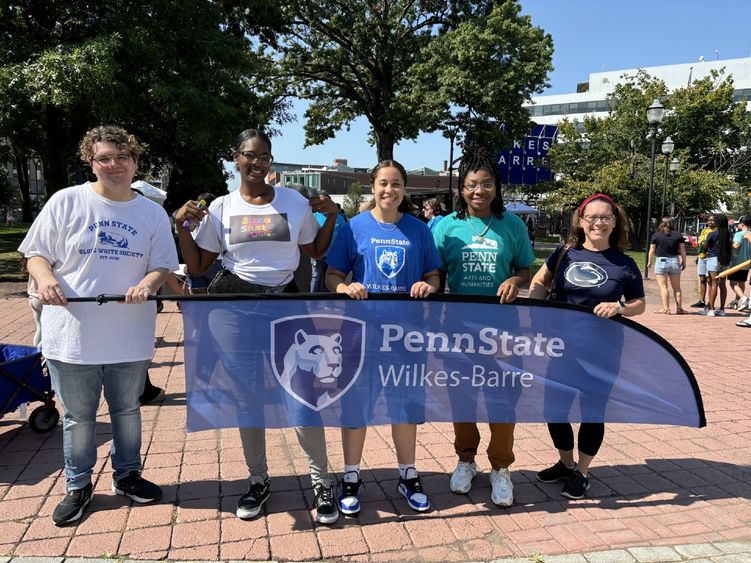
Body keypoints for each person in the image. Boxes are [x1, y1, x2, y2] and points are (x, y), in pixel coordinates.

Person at [174, 128, 341, 524]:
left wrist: (332, 216)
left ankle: (321, 482)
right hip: (234, 307)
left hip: (284, 303)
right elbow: (198, 267)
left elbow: (315, 251)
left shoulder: (294, 202)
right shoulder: (221, 206)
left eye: (264, 156)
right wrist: (181, 227)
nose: (257, 162)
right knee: (247, 397)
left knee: (301, 392)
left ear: (270, 161)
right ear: (237, 159)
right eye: (250, 155)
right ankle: (258, 480)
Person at [19, 125, 179, 525]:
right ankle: (77, 485)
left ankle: (127, 476)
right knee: (79, 417)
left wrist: (146, 284)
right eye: (103, 158)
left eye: (121, 157)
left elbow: (162, 265)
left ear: (135, 161)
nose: (113, 165)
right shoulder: (65, 201)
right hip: (72, 335)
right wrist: (45, 278)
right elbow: (35, 254)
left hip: (129, 334)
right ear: (90, 162)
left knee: (127, 410)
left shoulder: (151, 212)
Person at [325, 160, 441, 515]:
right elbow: (332, 274)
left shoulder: (419, 231)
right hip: (359, 335)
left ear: (404, 189)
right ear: (372, 187)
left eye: (396, 184)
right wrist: (345, 287)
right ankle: (350, 476)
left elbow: (433, 276)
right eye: (382, 184)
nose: (389, 190)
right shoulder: (353, 227)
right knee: (356, 407)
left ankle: (407, 474)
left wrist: (428, 285)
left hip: (406, 337)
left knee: (404, 407)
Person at [432, 146, 535, 507]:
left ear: (497, 187)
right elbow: (433, 274)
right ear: (461, 188)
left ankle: (501, 468)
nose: (479, 191)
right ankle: (465, 460)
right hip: (458, 330)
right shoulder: (446, 226)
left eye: (487, 184)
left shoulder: (512, 225)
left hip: (504, 333)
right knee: (462, 400)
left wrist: (516, 282)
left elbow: (525, 268)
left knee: (503, 400)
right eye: (472, 185)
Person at [528, 193, 645, 499]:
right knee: (554, 409)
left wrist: (619, 307)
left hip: (602, 352)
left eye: (605, 217)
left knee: (592, 412)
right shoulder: (565, 252)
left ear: (614, 221)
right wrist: (534, 316)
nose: (598, 222)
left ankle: (582, 471)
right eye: (591, 217)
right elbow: (540, 282)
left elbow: (639, 304)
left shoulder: (625, 263)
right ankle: (566, 463)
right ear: (581, 221)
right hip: (562, 349)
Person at [647, 217, 687, 314]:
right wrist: (684, 261)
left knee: (663, 287)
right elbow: (682, 250)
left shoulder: (656, 235)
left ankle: (666, 308)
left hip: (661, 261)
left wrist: (650, 261)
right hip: (674, 261)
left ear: (662, 223)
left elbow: (652, 249)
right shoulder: (678, 235)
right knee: (677, 288)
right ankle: (679, 308)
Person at [310, 191, 347, 292]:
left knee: (329, 277)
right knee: (316, 276)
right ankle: (313, 301)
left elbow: (344, 234)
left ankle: (328, 301)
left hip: (333, 254)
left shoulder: (339, 217)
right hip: (318, 253)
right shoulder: (315, 216)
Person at [701, 213, 732, 317]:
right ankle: (722, 309)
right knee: (722, 285)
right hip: (725, 261)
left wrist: (704, 250)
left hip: (713, 259)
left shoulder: (713, 233)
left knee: (713, 283)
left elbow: (705, 247)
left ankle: (711, 309)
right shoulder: (728, 233)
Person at [690, 215, 716, 308]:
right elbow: (700, 243)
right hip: (701, 257)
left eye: (712, 220)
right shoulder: (704, 230)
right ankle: (701, 300)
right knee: (702, 279)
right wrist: (694, 243)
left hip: (710, 257)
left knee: (710, 280)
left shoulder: (716, 231)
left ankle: (710, 301)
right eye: (709, 220)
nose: (710, 222)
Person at [727, 215, 751, 312]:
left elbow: (736, 245)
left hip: (737, 263)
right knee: (741, 282)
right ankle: (736, 301)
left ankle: (744, 299)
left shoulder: (739, 234)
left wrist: (731, 244)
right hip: (747, 263)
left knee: (732, 283)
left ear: (742, 224)